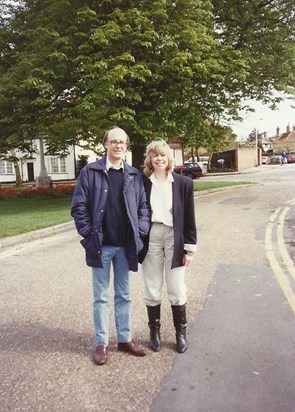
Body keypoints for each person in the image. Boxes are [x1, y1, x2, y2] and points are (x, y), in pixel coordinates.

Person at [71, 127, 150, 365]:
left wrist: (141, 230)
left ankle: (125, 339)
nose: (118, 145)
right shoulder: (90, 172)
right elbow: (79, 207)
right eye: (114, 141)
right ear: (105, 144)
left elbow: (143, 208)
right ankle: (102, 343)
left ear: (126, 145)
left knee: (124, 295)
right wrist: (87, 232)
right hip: (101, 246)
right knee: (101, 297)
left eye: (122, 142)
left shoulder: (134, 175)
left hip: (125, 246)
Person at [139, 140, 197, 354]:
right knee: (152, 287)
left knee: (176, 287)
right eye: (155, 156)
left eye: (163, 155)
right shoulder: (143, 183)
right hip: (151, 236)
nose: (159, 159)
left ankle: (180, 332)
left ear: (169, 158)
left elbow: (190, 217)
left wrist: (189, 249)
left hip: (176, 237)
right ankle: (154, 332)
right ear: (150, 160)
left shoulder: (183, 183)